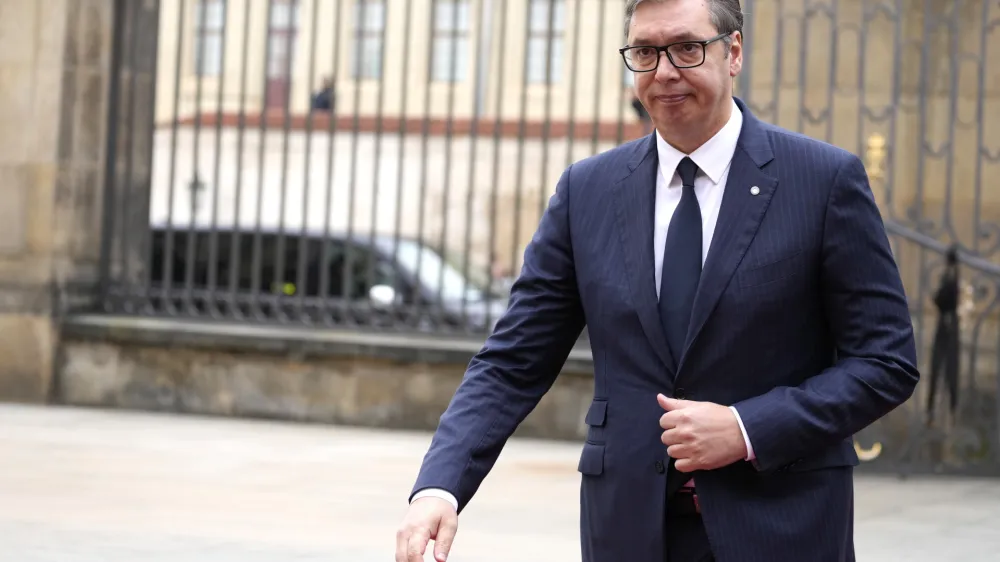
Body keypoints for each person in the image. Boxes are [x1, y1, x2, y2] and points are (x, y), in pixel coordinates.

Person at [395, 0, 919, 560]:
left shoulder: (822, 181)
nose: (664, 70)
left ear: (733, 51)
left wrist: (747, 428)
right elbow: (513, 360)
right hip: (626, 530)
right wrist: (440, 486)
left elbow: (885, 361)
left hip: (780, 528)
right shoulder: (587, 191)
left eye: (686, 48)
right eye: (645, 52)